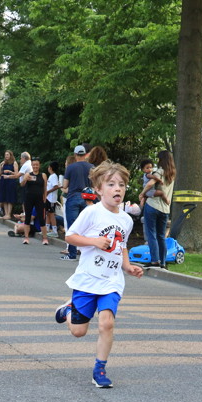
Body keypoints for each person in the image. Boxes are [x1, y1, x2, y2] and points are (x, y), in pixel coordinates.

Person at [53, 162, 144, 388]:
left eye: (121, 185)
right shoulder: (91, 212)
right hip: (88, 278)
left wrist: (127, 266)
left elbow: (122, 246)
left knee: (106, 323)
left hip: (112, 280)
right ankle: (67, 310)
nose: (117, 188)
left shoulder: (126, 219)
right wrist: (94, 241)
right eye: (111, 184)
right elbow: (70, 236)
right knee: (78, 332)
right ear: (99, 189)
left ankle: (99, 370)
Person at [142, 150, 176, 268]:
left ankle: (154, 261)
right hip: (165, 209)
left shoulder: (160, 171)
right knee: (161, 236)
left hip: (153, 205)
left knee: (151, 234)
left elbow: (150, 184)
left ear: (162, 159)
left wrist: (142, 193)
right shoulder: (172, 174)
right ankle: (163, 262)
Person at [61, 145, 93, 261]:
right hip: (87, 198)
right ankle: (87, 254)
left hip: (73, 197)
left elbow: (65, 185)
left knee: (72, 226)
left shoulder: (71, 167)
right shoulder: (91, 167)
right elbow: (95, 184)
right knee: (87, 226)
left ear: (75, 155)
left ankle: (72, 254)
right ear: (85, 154)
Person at [20, 156, 49, 245]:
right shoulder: (28, 174)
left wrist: (44, 199)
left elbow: (45, 188)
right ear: (31, 165)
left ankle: (45, 238)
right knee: (27, 218)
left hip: (39, 199)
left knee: (42, 219)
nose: (35, 166)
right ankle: (26, 237)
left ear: (39, 165)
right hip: (29, 199)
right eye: (34, 165)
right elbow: (22, 185)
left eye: (37, 165)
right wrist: (25, 179)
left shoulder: (43, 175)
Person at [0, 150, 19, 220]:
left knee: (9, 198)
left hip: (10, 181)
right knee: (4, 198)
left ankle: (9, 214)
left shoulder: (14, 163)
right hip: (3, 181)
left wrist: (9, 171)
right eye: (5, 155)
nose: (6, 156)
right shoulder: (3, 163)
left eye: (7, 154)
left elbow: (17, 174)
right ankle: (6, 214)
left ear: (10, 155)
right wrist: (0, 166)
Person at [45, 161, 62, 236]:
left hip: (51, 199)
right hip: (48, 198)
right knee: (48, 213)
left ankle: (55, 231)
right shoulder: (51, 176)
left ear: (51, 168)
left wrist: (48, 191)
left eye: (49, 167)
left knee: (51, 214)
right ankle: (47, 229)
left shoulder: (54, 176)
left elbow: (56, 186)